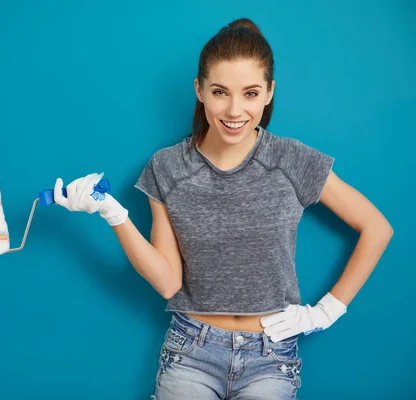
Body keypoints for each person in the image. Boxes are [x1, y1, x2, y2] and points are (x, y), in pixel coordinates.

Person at [52, 17, 394, 400]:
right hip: (191, 351)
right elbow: (168, 282)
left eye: (250, 93)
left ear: (269, 92)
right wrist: (112, 212)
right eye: (220, 92)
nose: (234, 110)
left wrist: (325, 312)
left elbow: (377, 228)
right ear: (199, 90)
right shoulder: (167, 168)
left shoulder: (291, 160)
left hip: (271, 356)